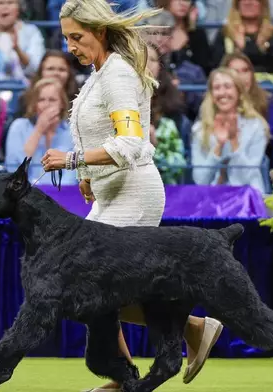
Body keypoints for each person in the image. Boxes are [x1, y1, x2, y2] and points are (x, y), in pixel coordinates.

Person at [40, 0, 223, 390]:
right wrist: (88, 175)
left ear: (100, 32)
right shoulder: (98, 73)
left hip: (134, 192)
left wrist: (73, 161)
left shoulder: (117, 75)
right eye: (66, 37)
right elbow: (97, 133)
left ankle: (129, 377)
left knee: (91, 287)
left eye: (77, 36)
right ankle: (189, 331)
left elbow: (129, 142)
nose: (71, 45)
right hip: (110, 194)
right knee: (84, 288)